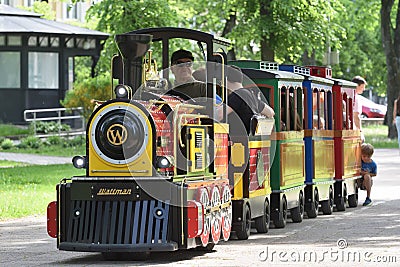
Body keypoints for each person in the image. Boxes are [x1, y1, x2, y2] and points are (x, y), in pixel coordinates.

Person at [225, 65, 275, 135]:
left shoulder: (237, 96)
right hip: (249, 139)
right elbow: (270, 112)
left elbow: (220, 115)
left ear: (226, 80)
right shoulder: (250, 95)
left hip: (237, 140)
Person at [351, 76, 368, 141]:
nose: (363, 89)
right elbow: (356, 116)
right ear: (357, 86)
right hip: (354, 128)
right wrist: (360, 132)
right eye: (362, 87)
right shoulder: (356, 98)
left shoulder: (346, 94)